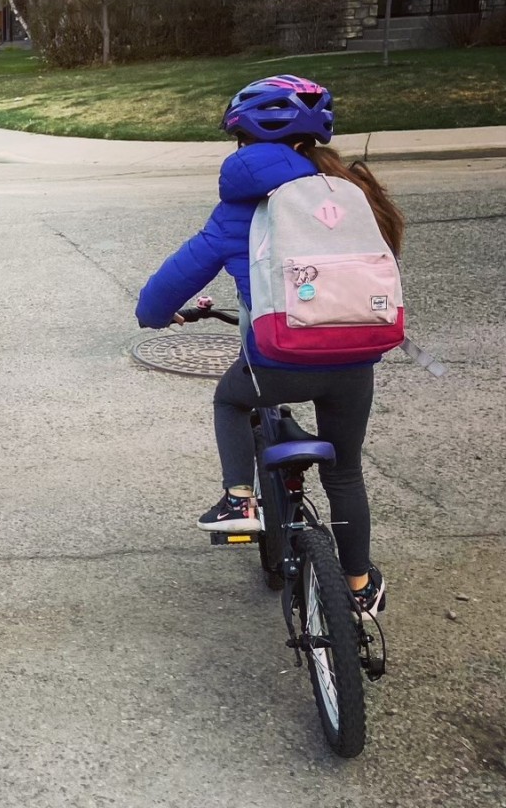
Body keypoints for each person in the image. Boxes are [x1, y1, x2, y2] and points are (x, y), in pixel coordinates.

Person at [135, 75, 404, 619]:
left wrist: (155, 316)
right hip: (355, 358)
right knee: (345, 471)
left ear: (242, 145)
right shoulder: (351, 192)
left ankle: (240, 497)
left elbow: (169, 285)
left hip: (276, 360)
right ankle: (357, 587)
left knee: (231, 400)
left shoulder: (239, 211)